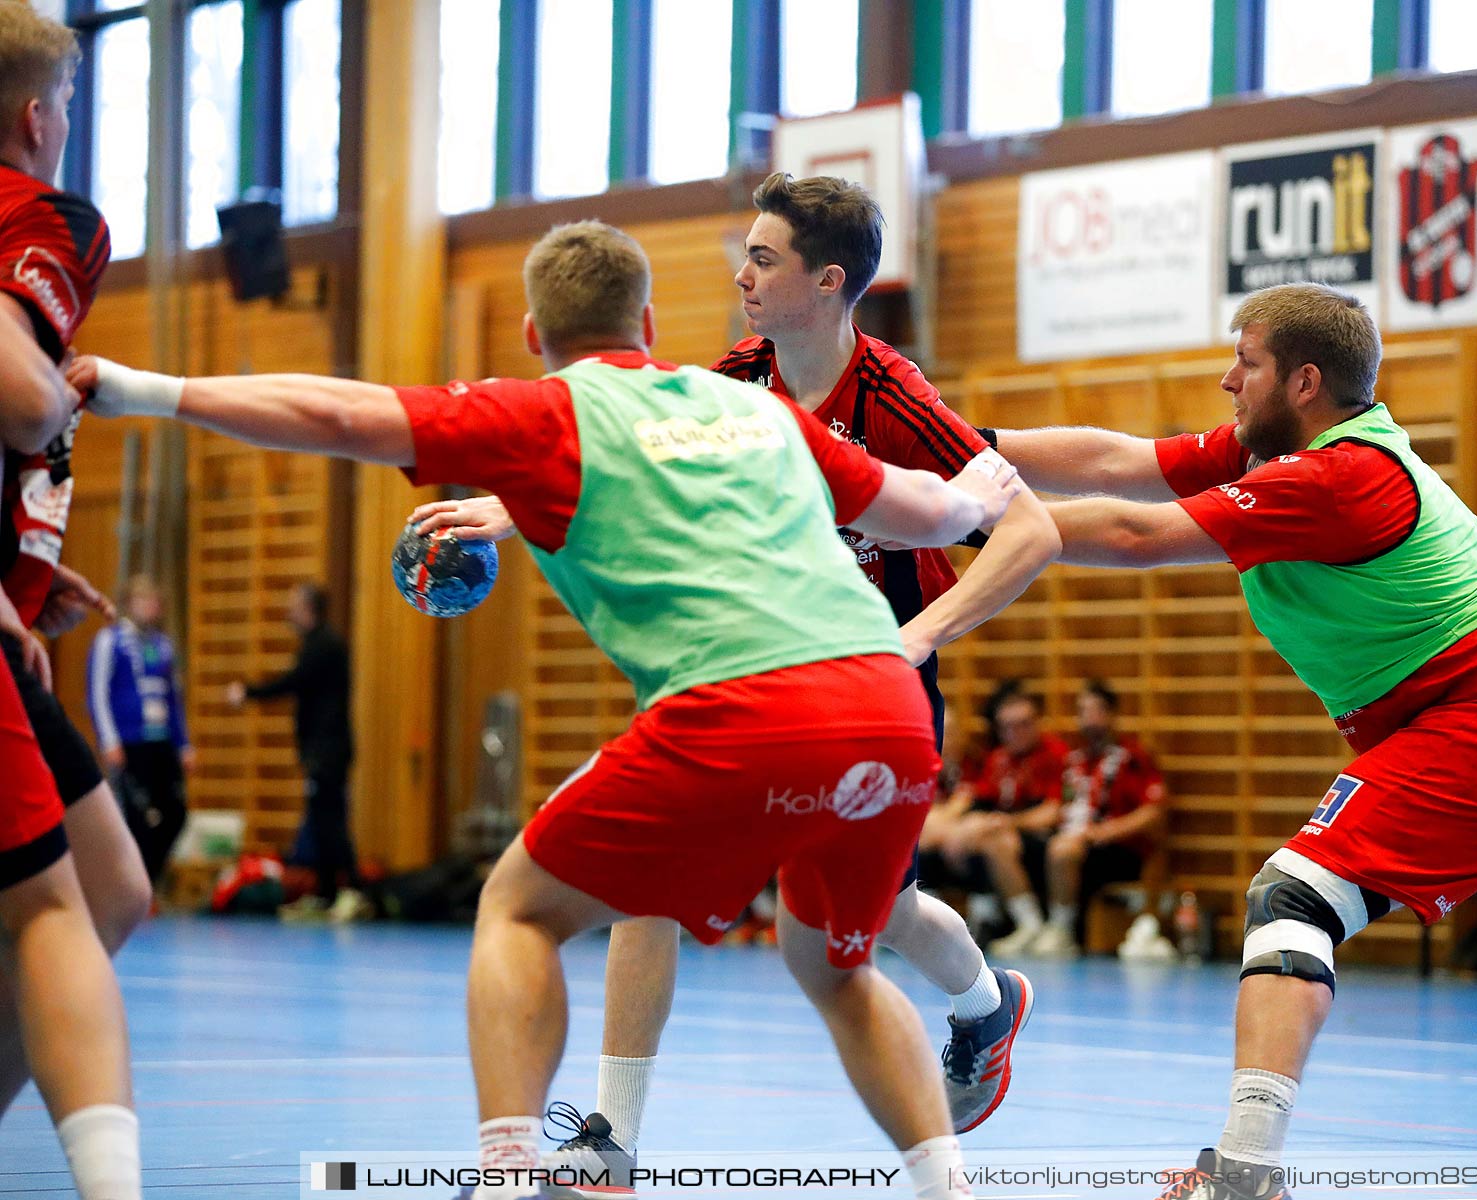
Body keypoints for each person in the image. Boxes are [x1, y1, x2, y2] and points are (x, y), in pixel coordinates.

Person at [73, 218, 1026, 1200]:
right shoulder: (755, 412)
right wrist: (974, 494)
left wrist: (147, 390)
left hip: (744, 709)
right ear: (649, 321)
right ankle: (945, 1189)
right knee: (837, 968)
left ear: (533, 333)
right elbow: (923, 510)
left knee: (518, 907)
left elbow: (336, 415)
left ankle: (508, 1177)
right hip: (887, 701)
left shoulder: (539, 413)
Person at [987, 281, 1477, 1197]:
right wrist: (972, 450)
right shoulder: (1304, 446)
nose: (1225, 381)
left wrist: (943, 516)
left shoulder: (1335, 477)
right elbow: (1116, 460)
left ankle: (1244, 1172)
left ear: (1302, 381)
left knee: (1293, 901)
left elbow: (1135, 531)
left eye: (1243, 364)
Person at [417, 173, 1056, 1143]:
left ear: (829, 281)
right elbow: (621, 447)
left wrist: (919, 634)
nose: (742, 275)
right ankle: (611, 1140)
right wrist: (510, 512)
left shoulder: (889, 396)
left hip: (873, 679)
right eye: (743, 255)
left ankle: (985, 1002)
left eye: (763, 258)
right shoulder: (734, 381)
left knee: (885, 917)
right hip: (752, 671)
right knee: (646, 879)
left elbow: (1029, 530)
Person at [0, 3, 143, 1195]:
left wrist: (24, 576)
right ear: (39, 117)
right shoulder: (44, 216)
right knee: (55, 903)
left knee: (110, 889)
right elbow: (16, 395)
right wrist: (53, 399)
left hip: (11, 625)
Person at [226, 582, 364, 921]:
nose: (290, 612)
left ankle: (352, 891)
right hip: (320, 749)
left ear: (308, 609)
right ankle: (327, 893)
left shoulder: (324, 646)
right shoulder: (315, 644)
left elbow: (293, 682)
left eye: (294, 605)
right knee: (320, 821)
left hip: (328, 750)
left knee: (330, 822)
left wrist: (249, 692)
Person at [1025, 679, 1165, 958]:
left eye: (1095, 711)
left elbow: (1153, 812)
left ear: (1111, 714)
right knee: (1023, 847)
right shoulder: (1074, 759)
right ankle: (1027, 925)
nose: (1087, 719)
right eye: (1082, 711)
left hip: (1115, 850)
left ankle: (1062, 930)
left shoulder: (1132, 757)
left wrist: (1104, 832)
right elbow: (1057, 804)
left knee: (1062, 849)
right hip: (1072, 842)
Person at [924, 688, 1066, 957]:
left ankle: (1031, 924)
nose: (1016, 733)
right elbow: (978, 803)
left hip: (1040, 837)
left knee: (993, 840)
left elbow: (1052, 812)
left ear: (1037, 722)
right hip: (1001, 832)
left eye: (1023, 724)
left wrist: (1005, 823)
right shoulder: (999, 759)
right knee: (966, 836)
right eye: (1008, 727)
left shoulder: (1053, 754)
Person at [87, 574, 194, 883]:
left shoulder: (163, 646)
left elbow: (174, 699)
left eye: (154, 601)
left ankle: (147, 878)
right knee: (134, 816)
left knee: (175, 813)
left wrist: (184, 744)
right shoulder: (111, 641)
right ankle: (131, 883)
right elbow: (97, 694)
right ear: (129, 603)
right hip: (128, 741)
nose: (150, 607)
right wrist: (109, 740)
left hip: (160, 742)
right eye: (143, 600)